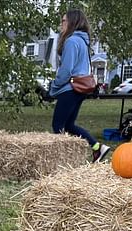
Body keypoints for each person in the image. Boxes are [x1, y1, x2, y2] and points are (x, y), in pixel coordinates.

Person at [49, 9, 110, 162]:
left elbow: (66, 70)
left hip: (70, 89)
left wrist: (53, 88)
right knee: (69, 125)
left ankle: (63, 159)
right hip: (80, 90)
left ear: (72, 22)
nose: (61, 24)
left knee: (58, 126)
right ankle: (97, 147)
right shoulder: (83, 41)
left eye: (63, 21)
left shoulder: (71, 41)